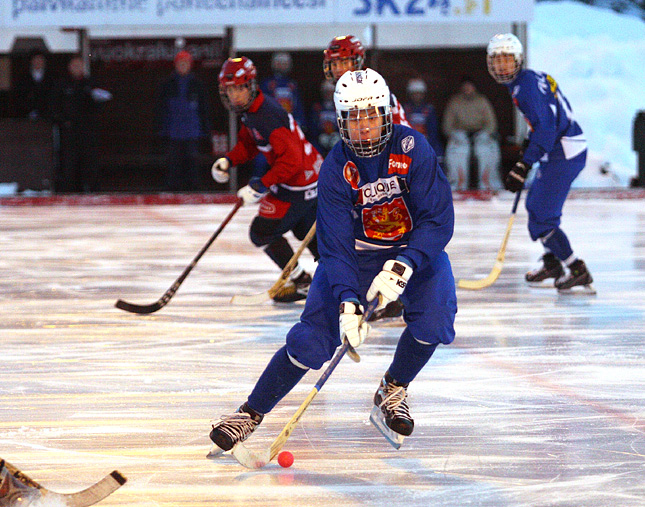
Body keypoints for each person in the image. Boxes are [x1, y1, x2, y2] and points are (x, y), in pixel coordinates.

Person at [209, 69, 456, 453]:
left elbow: (437, 219)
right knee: (310, 341)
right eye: (353, 119)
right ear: (340, 121)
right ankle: (250, 413)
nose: (364, 128)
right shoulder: (335, 169)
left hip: (412, 250)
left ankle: (392, 388)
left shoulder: (413, 148)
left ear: (386, 114)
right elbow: (335, 246)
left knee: (436, 319)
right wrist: (347, 301)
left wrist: (406, 263)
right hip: (355, 256)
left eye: (371, 115)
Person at [487, 33, 594, 292]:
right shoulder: (530, 79)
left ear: (519, 60)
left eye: (507, 60)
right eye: (497, 60)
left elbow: (547, 127)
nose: (502, 66)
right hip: (560, 149)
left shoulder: (526, 88)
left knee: (542, 217)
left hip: (564, 152)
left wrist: (525, 163)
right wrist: (531, 142)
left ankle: (576, 268)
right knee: (536, 206)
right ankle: (552, 263)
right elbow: (546, 117)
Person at [211, 57, 322, 303]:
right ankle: (335, 282)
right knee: (309, 234)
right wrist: (229, 160)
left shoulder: (265, 115)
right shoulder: (252, 112)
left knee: (262, 231)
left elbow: (290, 161)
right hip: (305, 179)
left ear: (251, 86)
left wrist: (261, 185)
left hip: (299, 182)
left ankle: (306, 282)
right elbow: (250, 144)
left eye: (240, 88)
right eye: (230, 90)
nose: (235, 95)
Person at [323, 34, 410, 320]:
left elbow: (394, 142)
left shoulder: (374, 93)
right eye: (335, 63)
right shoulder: (344, 95)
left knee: (390, 234)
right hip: (366, 175)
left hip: (394, 175)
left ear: (358, 61)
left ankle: (393, 296)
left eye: (346, 62)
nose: (340, 69)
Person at [50, 55, 112, 193]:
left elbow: (101, 104)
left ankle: (91, 190)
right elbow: (55, 106)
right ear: (70, 67)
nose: (78, 69)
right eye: (75, 66)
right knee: (69, 162)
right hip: (69, 131)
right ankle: (69, 191)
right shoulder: (62, 85)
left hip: (88, 132)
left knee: (89, 162)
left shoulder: (91, 83)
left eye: (80, 66)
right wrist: (63, 121)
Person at [154, 51, 211, 192]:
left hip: (192, 129)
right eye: (180, 63)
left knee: (192, 160)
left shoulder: (197, 84)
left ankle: (193, 188)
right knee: (173, 161)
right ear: (176, 65)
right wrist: (162, 128)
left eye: (186, 63)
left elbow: (203, 108)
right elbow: (161, 108)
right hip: (173, 130)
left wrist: (205, 129)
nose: (183, 66)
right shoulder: (167, 84)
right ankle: (172, 188)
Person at [442, 76, 501, 191]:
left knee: (487, 150)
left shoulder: (482, 101)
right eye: (465, 87)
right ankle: (457, 186)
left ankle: (489, 185)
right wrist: (454, 134)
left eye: (470, 87)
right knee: (457, 151)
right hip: (461, 136)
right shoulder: (455, 102)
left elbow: (491, 123)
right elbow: (447, 125)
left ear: (474, 88)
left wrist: (486, 133)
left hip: (480, 135)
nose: (467, 90)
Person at [403, 78, 444, 164]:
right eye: (414, 93)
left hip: (427, 141)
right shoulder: (405, 109)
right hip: (409, 141)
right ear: (410, 94)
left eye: (419, 93)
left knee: (438, 155)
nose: (417, 96)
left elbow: (433, 131)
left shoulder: (429, 109)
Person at [16, 50, 55, 120]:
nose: (38, 62)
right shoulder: (23, 77)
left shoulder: (51, 76)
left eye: (40, 59)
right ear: (31, 61)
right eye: (36, 59)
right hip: (26, 115)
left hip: (47, 115)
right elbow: (19, 95)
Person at [308, 80, 340, 157]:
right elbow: (312, 124)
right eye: (326, 92)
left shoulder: (340, 107)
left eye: (330, 92)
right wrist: (319, 136)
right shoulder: (317, 107)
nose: (328, 94)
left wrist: (338, 135)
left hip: (336, 137)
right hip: (320, 139)